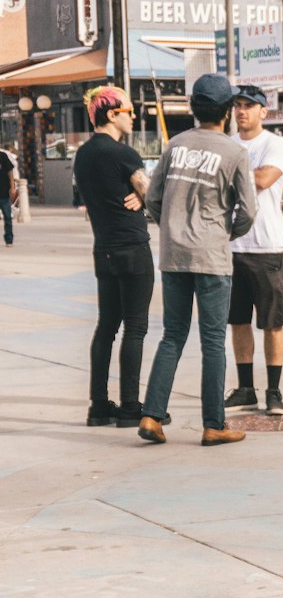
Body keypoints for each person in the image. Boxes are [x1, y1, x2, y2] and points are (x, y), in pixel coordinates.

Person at [140, 74, 256, 447]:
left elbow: (153, 198)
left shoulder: (175, 145)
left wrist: (172, 227)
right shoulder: (235, 152)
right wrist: (223, 233)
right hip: (211, 257)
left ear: (193, 108)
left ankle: (152, 416)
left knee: (172, 335)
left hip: (173, 256)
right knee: (212, 342)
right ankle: (214, 424)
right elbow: (248, 212)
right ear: (226, 111)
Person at [72, 85, 155, 428]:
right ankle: (130, 406)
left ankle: (98, 405)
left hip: (103, 248)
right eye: (129, 111)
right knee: (135, 327)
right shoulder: (123, 154)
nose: (134, 116)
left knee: (106, 326)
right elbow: (153, 191)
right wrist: (144, 198)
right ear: (111, 114)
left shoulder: (84, 154)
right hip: (133, 248)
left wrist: (137, 195)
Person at [221, 84, 283, 415]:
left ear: (264, 111)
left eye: (249, 106)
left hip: (267, 247)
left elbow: (264, 179)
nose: (241, 111)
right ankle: (246, 388)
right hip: (230, 247)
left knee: (271, 322)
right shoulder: (225, 144)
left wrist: (226, 175)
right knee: (237, 321)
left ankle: (274, 391)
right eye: (237, 105)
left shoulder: (276, 144)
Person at [0, 142, 16, 247]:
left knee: (7, 217)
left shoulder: (3, 156)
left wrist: (13, 187)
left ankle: (9, 239)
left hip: (4, 192)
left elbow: (10, 172)